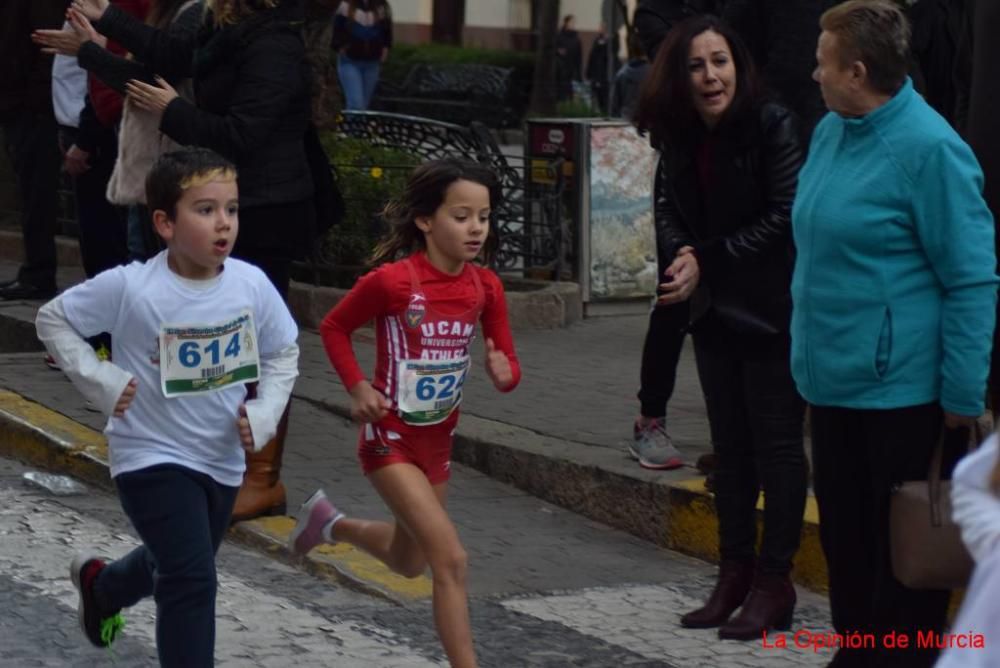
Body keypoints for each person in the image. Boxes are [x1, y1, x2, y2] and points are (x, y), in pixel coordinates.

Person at [35, 148, 300, 666]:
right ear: (163, 223)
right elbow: (53, 319)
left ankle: (104, 587)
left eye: (232, 209)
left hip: (222, 460)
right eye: (205, 210)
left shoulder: (251, 285)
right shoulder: (132, 286)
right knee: (191, 579)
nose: (223, 224)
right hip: (148, 455)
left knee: (177, 560)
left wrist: (264, 413)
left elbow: (283, 350)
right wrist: (102, 380)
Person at [790, 2, 997, 666]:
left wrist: (963, 393)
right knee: (846, 549)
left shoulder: (931, 148)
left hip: (902, 395)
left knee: (900, 564)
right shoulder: (830, 130)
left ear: (856, 70)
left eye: (822, 61)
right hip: (831, 384)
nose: (812, 71)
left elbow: (972, 278)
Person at [71, 0, 316, 522]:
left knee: (257, 347)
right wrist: (101, 34)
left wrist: (173, 112)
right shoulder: (219, 25)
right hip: (222, 202)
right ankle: (201, 459)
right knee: (209, 345)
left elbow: (242, 135)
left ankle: (263, 479)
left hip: (265, 210)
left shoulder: (273, 41)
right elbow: (164, 57)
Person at [289, 158, 521, 668]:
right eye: (461, 216)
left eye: (483, 217)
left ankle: (331, 523)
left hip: (437, 444)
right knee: (451, 560)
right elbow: (333, 327)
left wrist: (504, 370)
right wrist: (357, 387)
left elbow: (507, 362)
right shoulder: (393, 283)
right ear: (425, 220)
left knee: (407, 560)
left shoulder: (486, 288)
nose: (476, 228)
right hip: (388, 439)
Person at [633, 15, 807, 638]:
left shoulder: (772, 123)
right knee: (730, 453)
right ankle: (732, 573)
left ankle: (774, 580)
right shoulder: (677, 133)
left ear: (740, 65)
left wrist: (705, 259)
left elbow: (786, 214)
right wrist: (683, 255)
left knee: (778, 449)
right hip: (712, 312)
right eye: (697, 65)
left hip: (771, 309)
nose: (711, 76)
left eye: (721, 62)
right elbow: (666, 206)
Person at [0, 1, 64, 301]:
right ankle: (35, 270)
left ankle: (39, 273)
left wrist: (30, 102)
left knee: (37, 193)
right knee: (29, 191)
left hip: (34, 109)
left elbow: (46, 45)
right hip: (20, 106)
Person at [331, 0, 392, 111]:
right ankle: (350, 127)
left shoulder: (381, 7)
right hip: (350, 62)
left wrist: (385, 49)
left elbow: (387, 32)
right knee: (356, 104)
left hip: (372, 63)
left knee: (363, 105)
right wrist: (340, 47)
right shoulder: (346, 6)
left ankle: (351, 127)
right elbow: (336, 30)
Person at [611, 32, 650, 122]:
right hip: (648, 125)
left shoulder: (622, 74)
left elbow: (615, 107)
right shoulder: (655, 74)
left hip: (625, 123)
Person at [585, 22, 621, 114]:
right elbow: (592, 57)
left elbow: (613, 54)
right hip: (597, 76)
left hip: (606, 76)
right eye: (600, 26)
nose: (599, 28)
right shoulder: (597, 41)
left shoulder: (612, 40)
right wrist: (589, 73)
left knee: (606, 99)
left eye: (602, 27)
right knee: (599, 99)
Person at [555, 15, 583, 102]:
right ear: (566, 23)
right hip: (561, 70)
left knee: (571, 94)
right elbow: (554, 50)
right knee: (561, 93)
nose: (573, 24)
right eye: (571, 22)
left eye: (574, 22)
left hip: (572, 70)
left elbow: (579, 57)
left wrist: (578, 73)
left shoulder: (576, 39)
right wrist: (558, 51)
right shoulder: (559, 36)